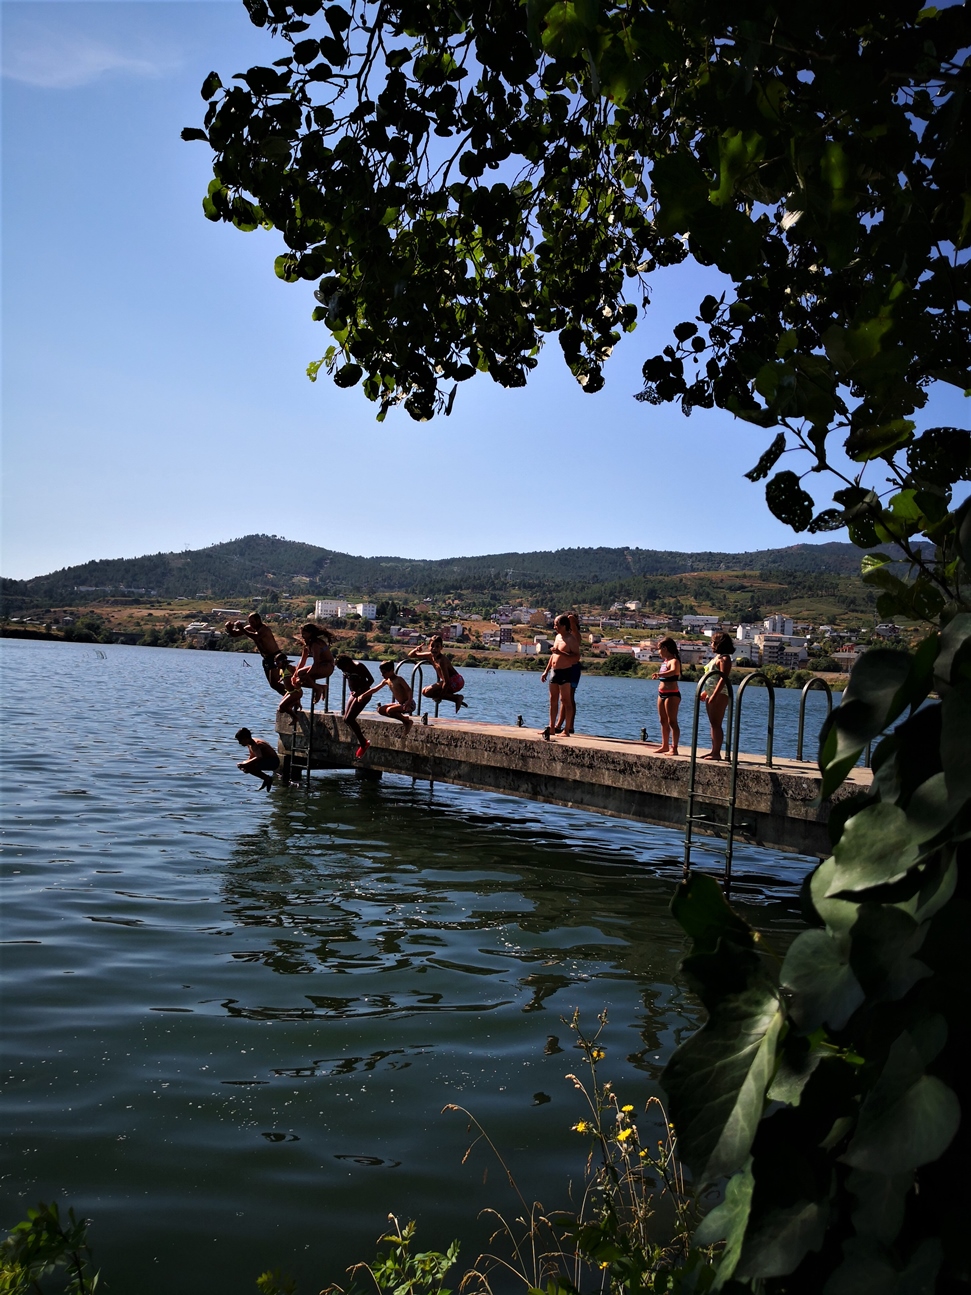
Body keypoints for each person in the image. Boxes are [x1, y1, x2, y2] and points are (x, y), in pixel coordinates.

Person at [540, 613, 582, 736]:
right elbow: (553, 655)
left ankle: (567, 730)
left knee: (566, 700)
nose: (554, 627)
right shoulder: (558, 637)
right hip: (554, 671)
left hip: (566, 671)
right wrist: (546, 671)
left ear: (564, 626)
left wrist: (560, 653)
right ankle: (552, 727)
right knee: (553, 700)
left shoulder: (572, 638)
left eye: (557, 625)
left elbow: (576, 656)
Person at [408, 635, 468, 712]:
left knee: (427, 692)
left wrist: (440, 698)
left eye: (437, 647)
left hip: (455, 681)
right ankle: (456, 698)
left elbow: (447, 682)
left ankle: (457, 698)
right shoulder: (430, 655)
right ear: (429, 646)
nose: (434, 649)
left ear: (441, 648)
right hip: (452, 681)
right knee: (427, 692)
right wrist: (416, 649)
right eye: (432, 646)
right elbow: (411, 655)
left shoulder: (442, 661)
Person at [225, 612, 281, 690]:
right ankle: (291, 698)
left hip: (276, 657)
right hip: (266, 659)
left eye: (253, 622)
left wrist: (242, 629)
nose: (251, 624)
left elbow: (257, 637)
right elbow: (235, 634)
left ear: (258, 621)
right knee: (273, 685)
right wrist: (230, 629)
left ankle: (293, 696)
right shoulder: (250, 628)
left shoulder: (264, 629)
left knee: (276, 684)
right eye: (250, 622)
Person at [700, 632, 734, 761]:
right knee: (713, 723)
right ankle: (713, 750)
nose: (711, 644)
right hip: (711, 693)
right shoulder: (716, 657)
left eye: (713, 642)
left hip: (719, 693)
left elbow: (722, 679)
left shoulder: (724, 659)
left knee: (716, 723)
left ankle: (716, 753)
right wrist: (706, 692)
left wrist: (714, 694)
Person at [335, 654, 375, 757]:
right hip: (354, 693)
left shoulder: (359, 666)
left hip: (364, 694)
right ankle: (363, 742)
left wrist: (360, 691)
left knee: (349, 719)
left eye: (343, 668)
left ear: (349, 663)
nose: (343, 670)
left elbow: (371, 680)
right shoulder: (345, 668)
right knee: (346, 719)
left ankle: (364, 743)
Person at [291, 623, 335, 701]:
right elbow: (302, 661)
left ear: (310, 634)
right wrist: (294, 675)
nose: (302, 636)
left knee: (301, 674)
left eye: (304, 634)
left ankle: (318, 689)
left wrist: (307, 675)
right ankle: (321, 687)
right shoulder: (307, 645)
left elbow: (316, 663)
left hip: (327, 667)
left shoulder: (316, 644)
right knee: (297, 681)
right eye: (301, 634)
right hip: (319, 666)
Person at [653, 637, 682, 755]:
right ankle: (664, 745)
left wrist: (659, 674)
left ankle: (674, 748)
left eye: (659, 649)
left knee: (672, 721)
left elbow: (674, 671)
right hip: (662, 694)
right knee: (662, 720)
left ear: (665, 648)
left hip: (672, 695)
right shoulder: (664, 662)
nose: (658, 652)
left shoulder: (674, 661)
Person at [368, 661, 416, 729]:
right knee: (380, 710)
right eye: (381, 673)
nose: (382, 675)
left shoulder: (399, 679)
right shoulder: (386, 680)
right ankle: (403, 718)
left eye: (384, 672)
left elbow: (409, 690)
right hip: (400, 703)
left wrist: (408, 702)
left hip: (409, 704)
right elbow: (375, 689)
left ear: (392, 670)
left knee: (389, 710)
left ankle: (407, 721)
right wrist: (363, 695)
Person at [270, 651, 303, 720]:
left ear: (284, 662)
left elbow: (299, 672)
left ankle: (295, 718)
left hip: (295, 691)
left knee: (283, 706)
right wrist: (282, 679)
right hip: (289, 692)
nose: (277, 664)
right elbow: (286, 677)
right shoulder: (281, 670)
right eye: (275, 663)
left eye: (278, 663)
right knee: (280, 709)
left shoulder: (290, 668)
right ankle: (295, 702)